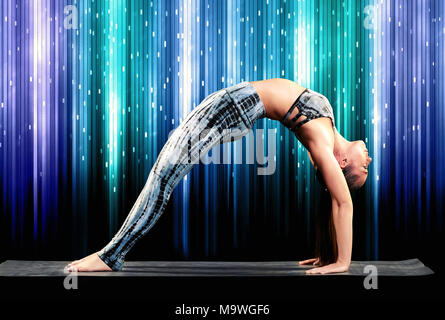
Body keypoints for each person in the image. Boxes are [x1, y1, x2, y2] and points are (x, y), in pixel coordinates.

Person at [66, 78, 372, 274]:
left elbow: (341, 203)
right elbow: (332, 196)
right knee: (163, 175)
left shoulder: (322, 140)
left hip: (234, 107)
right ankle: (112, 253)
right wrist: (326, 254)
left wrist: (342, 262)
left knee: (163, 177)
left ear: (341, 162)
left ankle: (110, 256)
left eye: (364, 169)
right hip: (233, 104)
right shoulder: (328, 126)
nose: (369, 159)